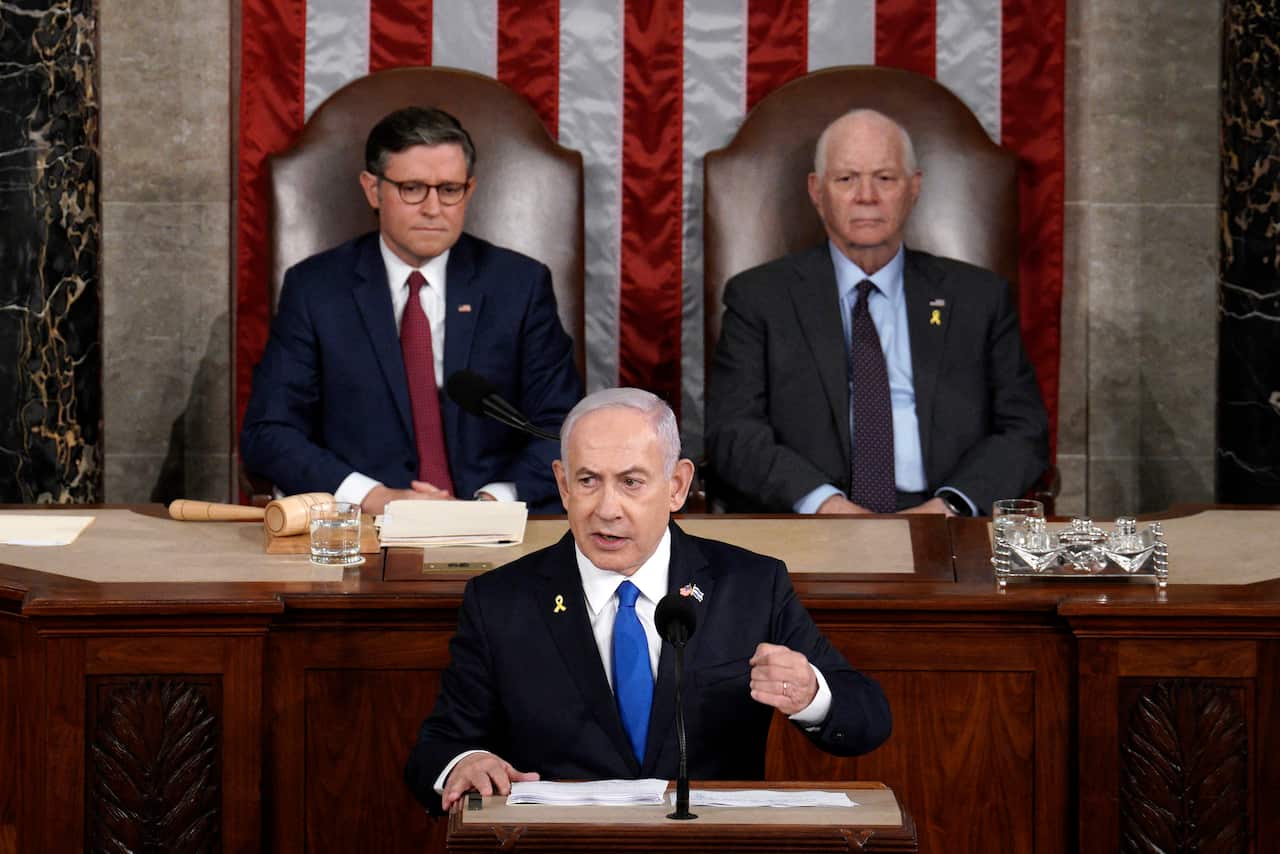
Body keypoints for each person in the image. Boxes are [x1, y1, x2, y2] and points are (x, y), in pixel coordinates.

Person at [404, 388, 892, 814]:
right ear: (562, 485)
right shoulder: (501, 601)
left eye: (631, 482)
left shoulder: (749, 584)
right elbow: (438, 746)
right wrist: (464, 763)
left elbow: (868, 716)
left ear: (677, 485)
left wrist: (811, 695)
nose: (607, 509)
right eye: (588, 481)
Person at [705, 109, 1049, 517]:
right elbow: (732, 432)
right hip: (810, 519)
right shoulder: (759, 298)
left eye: (885, 178)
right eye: (846, 179)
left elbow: (1024, 431)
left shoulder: (977, 298)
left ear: (914, 187)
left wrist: (950, 506)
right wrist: (824, 504)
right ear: (817, 191)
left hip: (946, 520)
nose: (866, 195)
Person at [240, 107, 582, 514]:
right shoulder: (316, 289)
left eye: (450, 189)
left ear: (469, 190)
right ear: (373, 189)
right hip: (366, 531)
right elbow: (269, 431)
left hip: (498, 527)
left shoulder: (519, 286)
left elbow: (564, 427)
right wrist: (372, 497)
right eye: (413, 188)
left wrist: (493, 500)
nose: (434, 208)